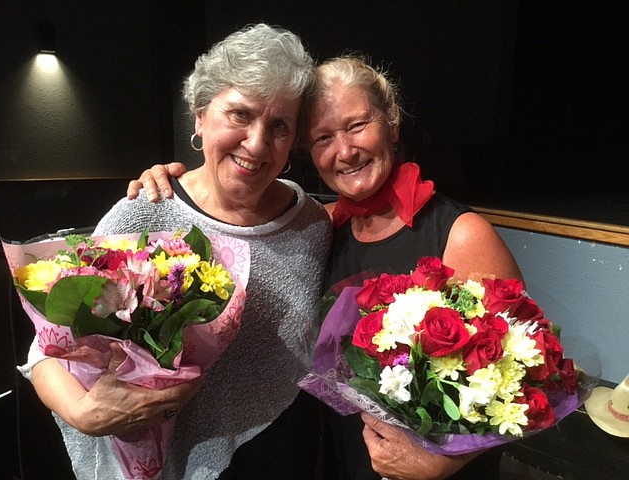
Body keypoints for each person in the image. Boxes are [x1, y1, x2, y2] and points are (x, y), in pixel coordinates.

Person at [129, 56, 523, 479]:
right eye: (322, 138)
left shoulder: (461, 235)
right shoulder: (322, 227)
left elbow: (527, 386)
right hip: (338, 462)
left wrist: (443, 462)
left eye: (357, 126)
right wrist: (173, 180)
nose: (345, 150)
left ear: (392, 126)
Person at [18, 24, 332, 480]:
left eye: (279, 126)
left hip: (285, 448)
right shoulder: (143, 213)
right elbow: (47, 351)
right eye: (240, 115)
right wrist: (83, 413)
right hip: (172, 457)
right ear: (200, 117)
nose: (258, 142)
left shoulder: (312, 224)